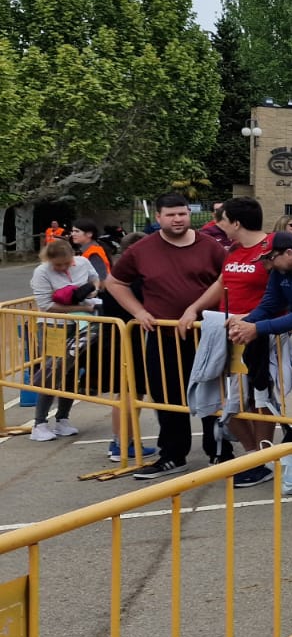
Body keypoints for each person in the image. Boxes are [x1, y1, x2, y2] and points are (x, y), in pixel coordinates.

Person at [103, 192, 226, 479]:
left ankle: (219, 452)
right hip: (162, 337)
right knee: (167, 397)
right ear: (158, 217)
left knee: (213, 394)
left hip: (205, 334)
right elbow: (115, 282)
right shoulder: (142, 249)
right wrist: (138, 312)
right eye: (170, 215)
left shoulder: (211, 247)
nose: (178, 219)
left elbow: (227, 280)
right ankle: (173, 454)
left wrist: (196, 310)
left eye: (182, 213)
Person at [175, 197, 275, 478]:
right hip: (226, 335)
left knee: (259, 399)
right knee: (225, 400)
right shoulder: (233, 250)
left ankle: (264, 458)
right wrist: (194, 308)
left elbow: (282, 294)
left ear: (236, 222)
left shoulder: (271, 249)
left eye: (223, 220)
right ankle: (252, 455)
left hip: (258, 335)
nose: (219, 226)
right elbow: (222, 283)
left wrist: (253, 318)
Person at [229, 232, 292, 480]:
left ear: (289, 253)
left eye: (270, 258)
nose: (267, 265)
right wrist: (244, 323)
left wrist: (256, 328)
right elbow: (269, 304)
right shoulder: (280, 270)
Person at [27, 239, 100, 441]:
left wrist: (92, 290)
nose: (61, 268)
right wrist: (84, 307)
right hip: (53, 326)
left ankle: (62, 419)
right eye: (57, 265)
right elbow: (46, 305)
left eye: (65, 264)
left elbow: (96, 279)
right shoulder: (41, 272)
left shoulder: (83, 263)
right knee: (52, 370)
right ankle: (39, 423)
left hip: (81, 325)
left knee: (71, 370)